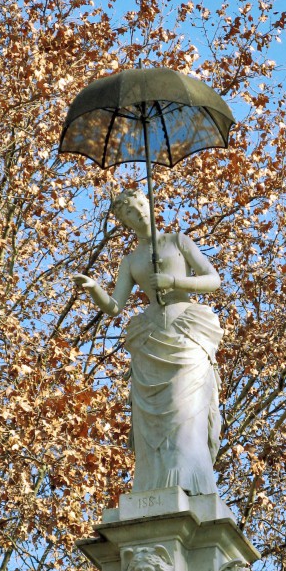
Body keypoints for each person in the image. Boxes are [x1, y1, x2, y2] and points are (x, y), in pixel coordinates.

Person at [74, 189, 222, 495]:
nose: (139, 211)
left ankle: (189, 483)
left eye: (141, 204)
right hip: (151, 337)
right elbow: (115, 306)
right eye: (129, 211)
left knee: (186, 411)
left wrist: (174, 281)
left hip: (187, 332)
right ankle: (153, 486)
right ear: (125, 222)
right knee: (150, 425)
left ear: (150, 204)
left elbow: (213, 280)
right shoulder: (131, 261)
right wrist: (93, 288)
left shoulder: (178, 241)